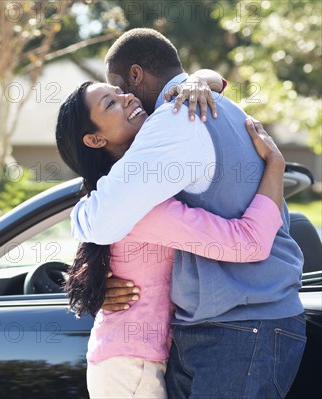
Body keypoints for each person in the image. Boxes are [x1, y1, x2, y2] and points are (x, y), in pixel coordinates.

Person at [70, 28, 305, 398]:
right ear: (95, 139)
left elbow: (97, 222)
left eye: (119, 89)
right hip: (215, 328)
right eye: (112, 101)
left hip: (241, 324)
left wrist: (79, 215)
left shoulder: (177, 118)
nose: (127, 98)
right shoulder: (213, 106)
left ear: (135, 75)